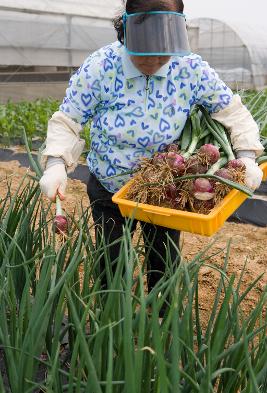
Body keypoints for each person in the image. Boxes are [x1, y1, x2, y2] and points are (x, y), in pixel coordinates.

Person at [39, 0, 264, 294]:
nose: (156, 60)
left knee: (164, 261)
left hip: (165, 189)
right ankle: (112, 315)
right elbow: (68, 120)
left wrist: (246, 156)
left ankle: (160, 321)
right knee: (112, 259)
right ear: (125, 33)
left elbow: (233, 112)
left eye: (164, 53)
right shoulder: (101, 67)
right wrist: (56, 161)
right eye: (145, 53)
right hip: (110, 186)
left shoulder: (189, 68)